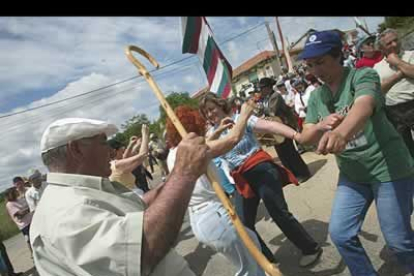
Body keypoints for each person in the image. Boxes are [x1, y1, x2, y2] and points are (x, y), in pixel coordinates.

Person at [30, 117, 212, 276]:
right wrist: (183, 174)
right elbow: (141, 252)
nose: (110, 151)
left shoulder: (77, 194)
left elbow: (137, 208)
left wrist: (177, 177)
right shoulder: (65, 210)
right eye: (102, 142)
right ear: (76, 149)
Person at [298, 30, 414, 276]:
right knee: (340, 234)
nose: (315, 70)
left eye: (320, 62)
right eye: (310, 65)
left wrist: (341, 133)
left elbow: (364, 105)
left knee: (398, 242)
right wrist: (320, 125)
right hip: (353, 176)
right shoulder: (317, 96)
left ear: (339, 55)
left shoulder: (363, 76)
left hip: (387, 168)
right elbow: (305, 135)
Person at [199, 92, 323, 267]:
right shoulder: (212, 132)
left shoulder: (240, 118)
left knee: (278, 212)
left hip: (260, 168)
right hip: (241, 179)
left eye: (211, 109)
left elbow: (270, 126)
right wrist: (218, 130)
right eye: (206, 113)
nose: (210, 114)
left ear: (221, 105)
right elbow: (205, 148)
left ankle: (311, 248)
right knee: (243, 225)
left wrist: (297, 136)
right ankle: (267, 262)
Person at [166, 104, 265, 276]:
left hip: (202, 219)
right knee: (251, 267)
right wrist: (243, 115)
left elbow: (208, 144)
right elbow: (233, 139)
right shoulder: (193, 150)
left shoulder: (175, 153)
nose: (204, 125)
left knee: (252, 247)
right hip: (214, 216)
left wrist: (218, 130)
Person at [257, 77, 312, 183]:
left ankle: (303, 173)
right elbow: (261, 112)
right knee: (282, 153)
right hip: (274, 129)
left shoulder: (275, 96)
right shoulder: (265, 99)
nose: (261, 90)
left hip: (284, 126)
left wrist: (263, 113)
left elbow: (272, 111)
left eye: (262, 88)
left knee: (290, 151)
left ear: (268, 87)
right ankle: (291, 174)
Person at [373, 28, 414, 158]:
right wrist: (400, 73)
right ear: (381, 48)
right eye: (389, 43)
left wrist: (397, 62)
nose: (394, 44)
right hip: (393, 111)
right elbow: (379, 90)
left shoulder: (411, 55)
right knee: (406, 147)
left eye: (396, 40)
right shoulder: (377, 67)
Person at [108, 124, 150, 190]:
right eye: (121, 148)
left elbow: (125, 157)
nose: (123, 149)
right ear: (115, 151)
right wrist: (145, 134)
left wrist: (131, 144)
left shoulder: (110, 165)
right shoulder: (117, 165)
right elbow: (143, 154)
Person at [5, 187, 33, 254]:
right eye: (15, 191)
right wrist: (31, 208)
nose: (17, 192)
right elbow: (20, 214)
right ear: (11, 194)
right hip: (25, 225)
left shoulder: (18, 199)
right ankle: (33, 254)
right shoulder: (10, 204)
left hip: (30, 221)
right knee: (30, 240)